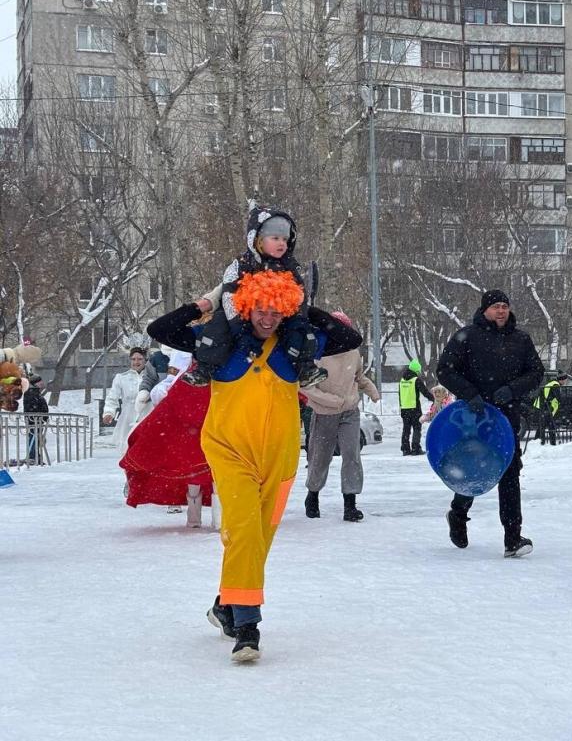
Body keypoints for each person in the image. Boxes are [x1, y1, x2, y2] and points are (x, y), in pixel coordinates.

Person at [147, 270, 362, 662]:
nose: (267, 318)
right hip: (230, 451)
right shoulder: (222, 345)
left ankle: (226, 603)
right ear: (246, 308)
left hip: (279, 459)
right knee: (245, 530)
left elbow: (351, 338)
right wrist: (205, 305)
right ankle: (247, 628)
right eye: (260, 309)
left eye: (275, 311)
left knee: (258, 540)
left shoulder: (294, 348)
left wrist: (302, 310)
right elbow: (159, 328)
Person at [437, 289, 544, 557]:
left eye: (504, 306)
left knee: (509, 472)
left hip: (505, 418)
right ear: (485, 309)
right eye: (496, 306)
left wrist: (512, 389)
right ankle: (458, 515)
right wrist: (470, 394)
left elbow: (536, 372)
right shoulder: (468, 337)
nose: (501, 311)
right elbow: (444, 370)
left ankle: (512, 538)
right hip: (473, 418)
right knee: (473, 470)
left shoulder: (521, 339)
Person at [182, 205, 326, 389]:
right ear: (258, 240)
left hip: (279, 315)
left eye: (285, 239)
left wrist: (299, 317)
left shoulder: (290, 266)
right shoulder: (242, 264)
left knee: (301, 331)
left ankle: (305, 368)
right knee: (217, 326)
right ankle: (204, 368)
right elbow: (228, 295)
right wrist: (238, 328)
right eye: (275, 238)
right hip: (241, 315)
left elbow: (300, 295)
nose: (282, 243)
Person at [301, 311, 381, 522]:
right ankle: (313, 496)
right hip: (324, 413)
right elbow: (306, 386)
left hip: (349, 412)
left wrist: (371, 389)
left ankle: (350, 504)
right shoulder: (316, 353)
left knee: (352, 455)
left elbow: (358, 376)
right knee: (320, 457)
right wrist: (331, 401)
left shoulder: (353, 352)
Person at [121, 350, 214, 529]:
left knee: (208, 467)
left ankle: (219, 516)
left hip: (208, 413)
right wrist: (162, 391)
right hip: (184, 417)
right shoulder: (181, 356)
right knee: (189, 465)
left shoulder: (218, 348)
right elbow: (168, 380)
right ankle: (194, 517)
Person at [102, 347, 147, 458]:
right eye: (133, 359)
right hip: (127, 419)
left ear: (145, 360)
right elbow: (112, 398)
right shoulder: (121, 378)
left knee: (145, 452)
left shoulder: (151, 377)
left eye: (140, 359)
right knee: (127, 454)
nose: (136, 362)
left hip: (146, 417)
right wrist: (109, 412)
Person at [398, 359, 432, 456]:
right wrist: (434, 399)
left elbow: (399, 395)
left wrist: (401, 406)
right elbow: (425, 392)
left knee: (406, 429)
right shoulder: (415, 380)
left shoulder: (402, 380)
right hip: (414, 408)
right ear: (416, 370)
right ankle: (415, 448)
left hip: (404, 408)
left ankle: (405, 449)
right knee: (417, 428)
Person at [533, 372, 567, 445]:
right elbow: (558, 398)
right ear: (562, 380)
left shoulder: (552, 383)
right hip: (545, 408)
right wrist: (562, 403)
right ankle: (544, 443)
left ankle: (538, 443)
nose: (565, 381)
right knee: (548, 427)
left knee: (543, 427)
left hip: (543, 407)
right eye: (565, 380)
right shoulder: (555, 385)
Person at [23, 374, 49, 465]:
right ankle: (32, 456)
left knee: (36, 438)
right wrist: (39, 416)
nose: (42, 383)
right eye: (39, 382)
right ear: (35, 383)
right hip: (34, 420)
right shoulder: (31, 393)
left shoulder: (36, 392)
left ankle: (35, 456)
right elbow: (32, 407)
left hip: (38, 420)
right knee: (33, 438)